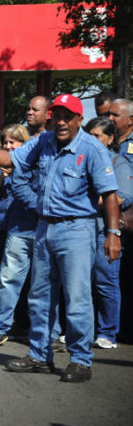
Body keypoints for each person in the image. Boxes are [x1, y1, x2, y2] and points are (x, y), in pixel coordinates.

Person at [0, 94, 121, 383]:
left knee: (77, 297)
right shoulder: (43, 142)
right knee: (40, 296)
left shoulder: (92, 149)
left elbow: (110, 193)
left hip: (77, 229)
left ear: (78, 119)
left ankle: (80, 360)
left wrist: (112, 233)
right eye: (56, 115)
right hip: (44, 228)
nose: (60, 122)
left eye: (67, 116)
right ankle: (38, 355)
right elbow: (10, 159)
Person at [0, 124, 38, 347]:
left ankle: (39, 330)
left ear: (25, 145)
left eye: (13, 143)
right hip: (5, 227)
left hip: (34, 227)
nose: (8, 146)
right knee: (4, 280)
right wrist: (3, 177)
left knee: (38, 284)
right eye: (5, 142)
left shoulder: (35, 162)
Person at [85, 117, 133, 349]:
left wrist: (90, 200)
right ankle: (83, 330)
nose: (92, 140)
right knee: (81, 282)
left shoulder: (118, 162)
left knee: (106, 281)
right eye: (89, 135)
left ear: (110, 138)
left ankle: (107, 333)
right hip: (81, 228)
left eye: (97, 136)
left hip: (106, 230)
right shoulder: (81, 160)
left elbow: (124, 198)